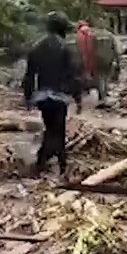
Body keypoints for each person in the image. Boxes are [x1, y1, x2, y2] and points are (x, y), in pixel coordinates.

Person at [23, 11, 83, 174]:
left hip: (42, 95)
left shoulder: (37, 47)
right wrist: (78, 98)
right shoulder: (66, 48)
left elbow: (29, 76)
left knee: (51, 127)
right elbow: (73, 75)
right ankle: (50, 161)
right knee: (58, 129)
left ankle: (51, 160)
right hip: (59, 96)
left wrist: (28, 97)